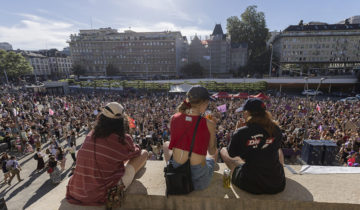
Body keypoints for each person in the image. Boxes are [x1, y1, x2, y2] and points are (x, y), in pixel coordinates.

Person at [66, 102, 148, 207]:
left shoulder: (91, 135)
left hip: (77, 191)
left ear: (102, 118)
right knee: (144, 153)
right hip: (102, 193)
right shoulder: (123, 139)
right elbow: (136, 152)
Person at [220, 98, 286, 194]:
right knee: (278, 150)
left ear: (247, 113)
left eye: (244, 112)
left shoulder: (241, 132)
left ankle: (233, 173)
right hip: (277, 184)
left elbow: (232, 153)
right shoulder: (276, 129)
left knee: (223, 150)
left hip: (250, 184)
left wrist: (236, 131)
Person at [163, 86, 218, 191]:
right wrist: (213, 130)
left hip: (177, 175)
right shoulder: (208, 123)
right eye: (207, 103)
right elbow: (212, 151)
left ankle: (169, 167)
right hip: (199, 180)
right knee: (213, 155)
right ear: (203, 103)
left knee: (166, 144)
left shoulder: (173, 118)